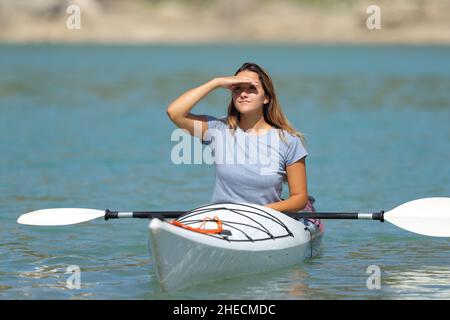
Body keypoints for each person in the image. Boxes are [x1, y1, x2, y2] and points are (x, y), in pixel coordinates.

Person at [167, 62, 313, 213]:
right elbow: (175, 112)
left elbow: (299, 198)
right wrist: (216, 82)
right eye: (238, 88)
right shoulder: (219, 129)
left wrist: (261, 211)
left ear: (266, 98)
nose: (243, 94)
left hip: (267, 220)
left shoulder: (288, 141)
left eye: (251, 88)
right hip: (223, 219)